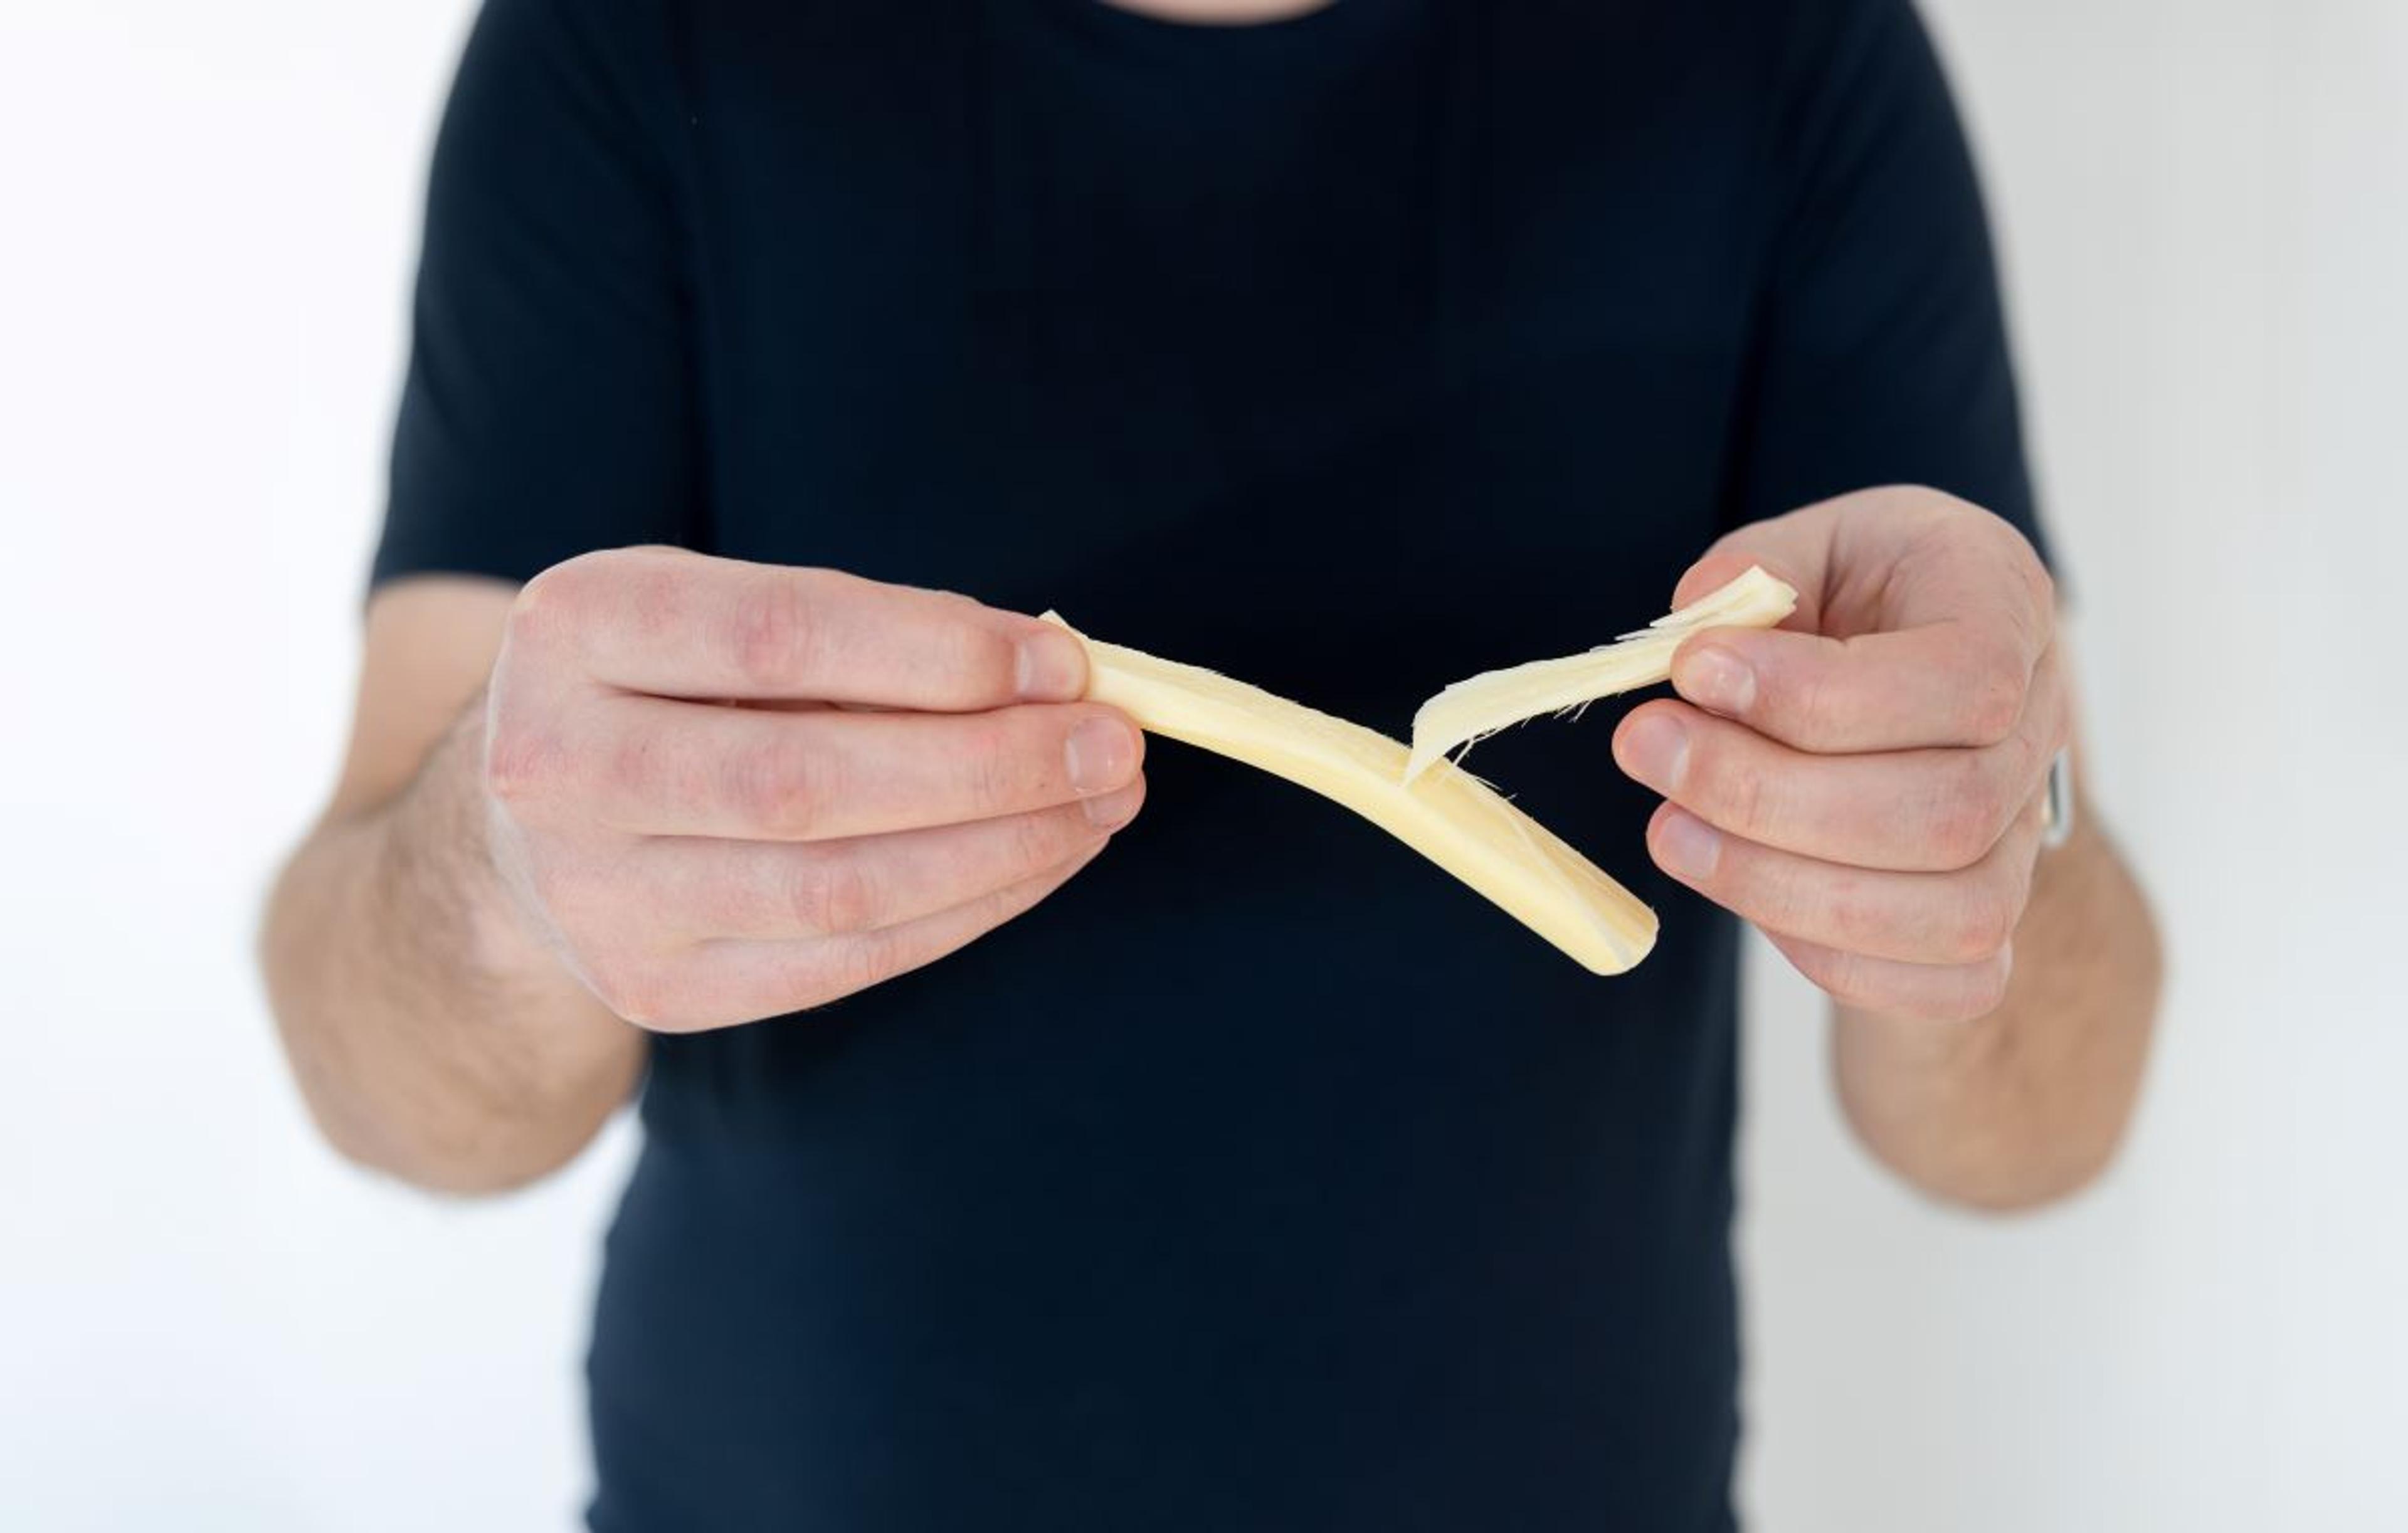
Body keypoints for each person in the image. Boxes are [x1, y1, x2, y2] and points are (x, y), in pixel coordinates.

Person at [260, 0, 2162, 1527]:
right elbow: (397, 1092)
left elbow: (2035, 1131)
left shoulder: (1786, 49)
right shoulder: (627, 43)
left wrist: (1998, 836)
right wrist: (504, 880)